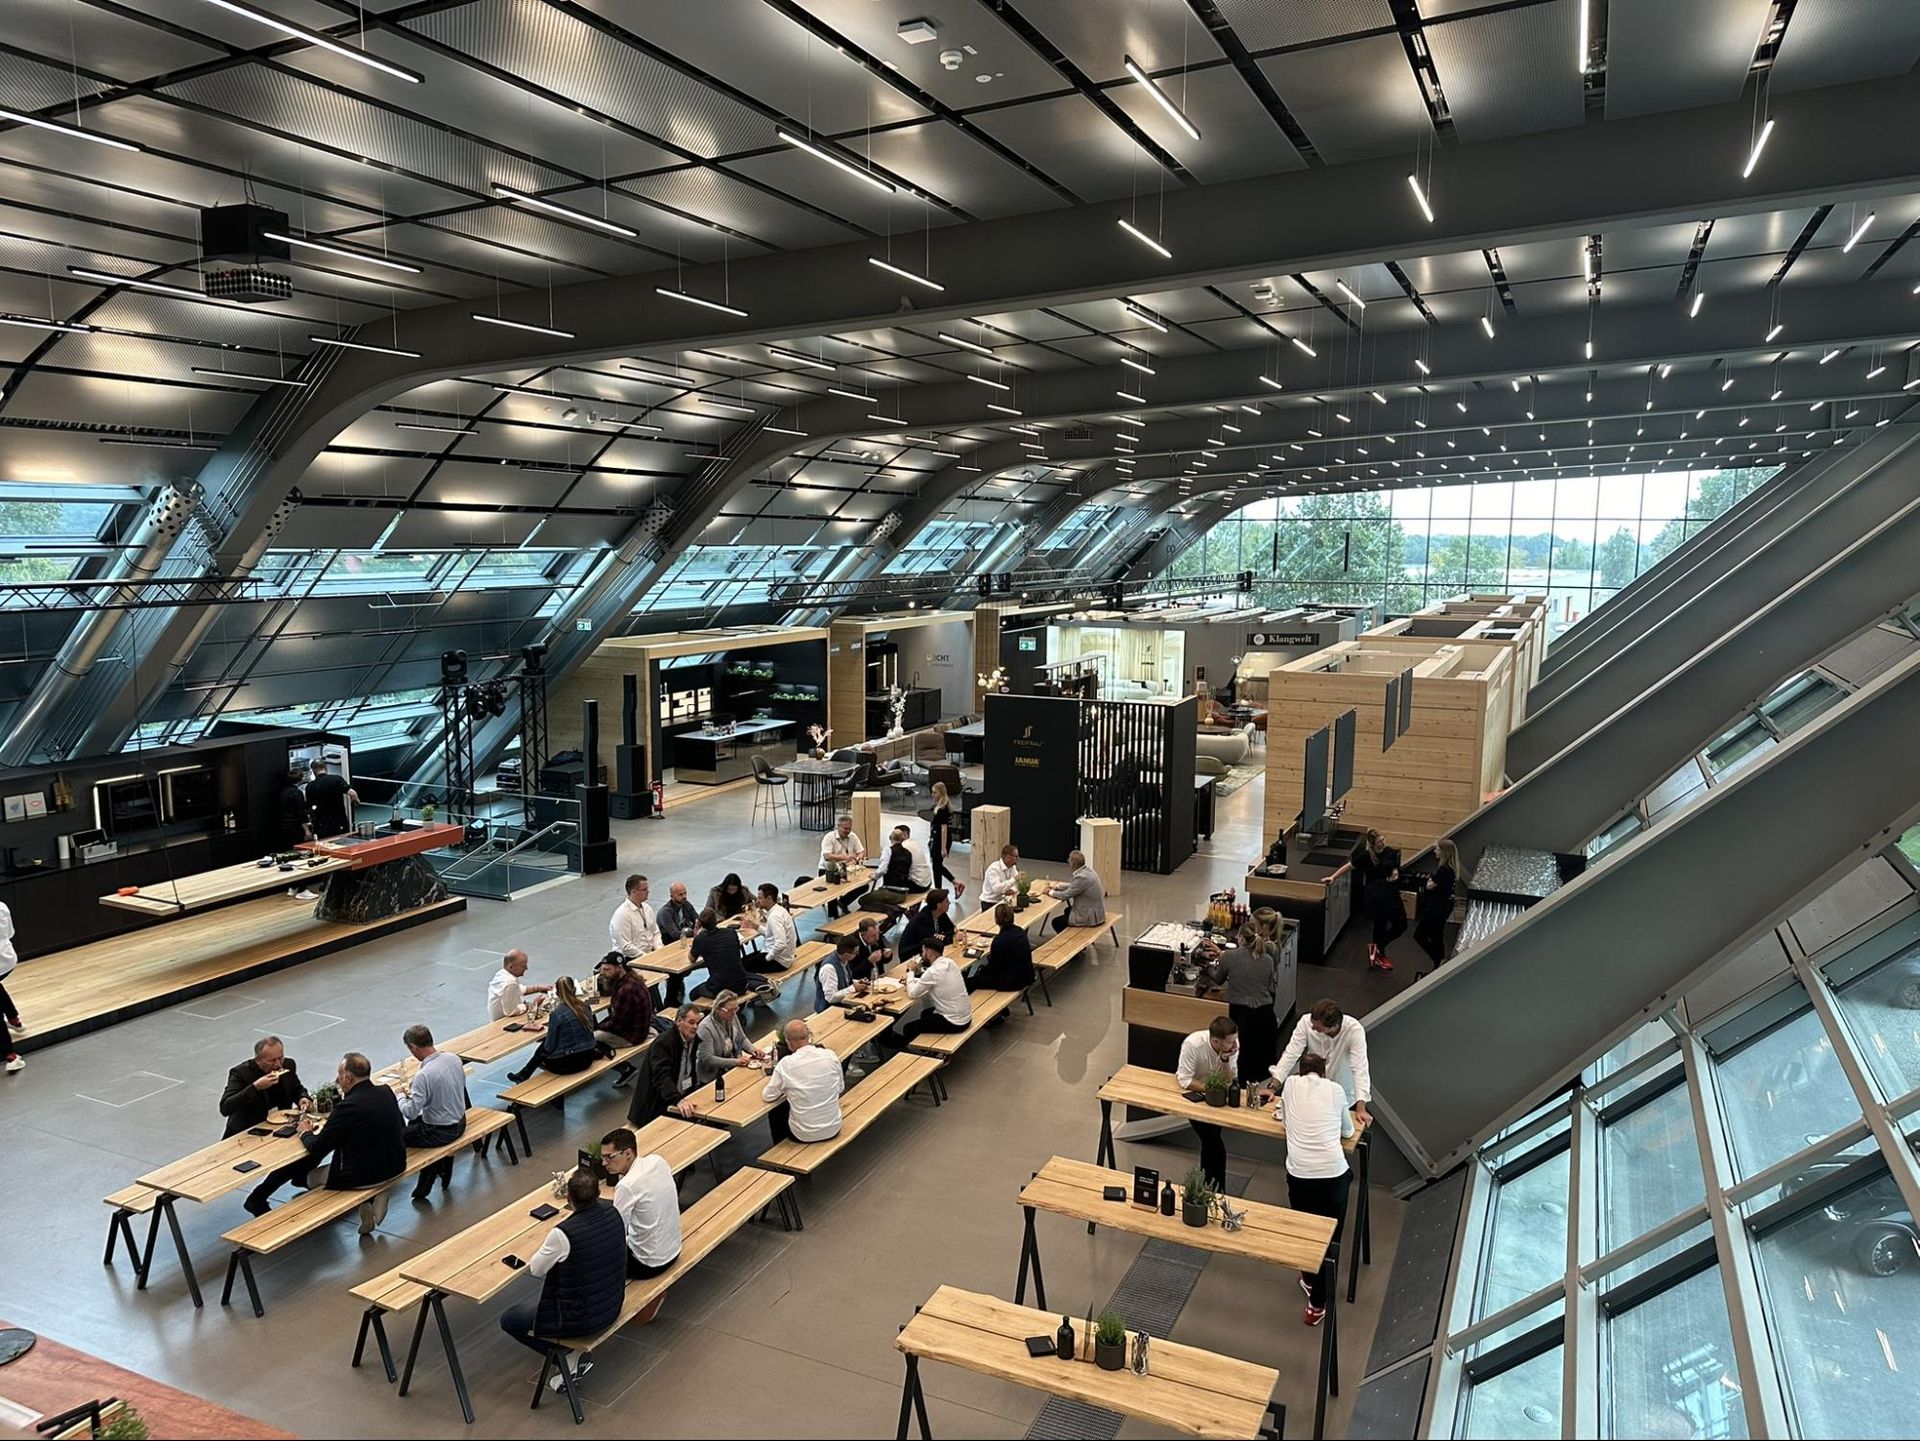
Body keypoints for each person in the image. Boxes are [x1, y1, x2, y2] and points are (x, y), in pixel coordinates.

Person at [244, 1052, 406, 1227]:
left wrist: (304, 1132)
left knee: (303, 1178)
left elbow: (317, 1147)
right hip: (396, 1165)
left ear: (348, 1078)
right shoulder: (386, 1092)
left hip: (363, 1175)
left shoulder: (347, 1107)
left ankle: (370, 1198)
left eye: (339, 1075)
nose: (337, 1080)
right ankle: (373, 1199)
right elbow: (401, 1127)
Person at [498, 1169, 626, 1378]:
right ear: (597, 1193)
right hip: (612, 1302)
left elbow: (537, 1270)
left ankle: (564, 1356)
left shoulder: (563, 1233)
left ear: (569, 1198)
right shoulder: (613, 1212)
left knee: (510, 1319)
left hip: (582, 1318)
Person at [1276, 1052, 1354, 1327]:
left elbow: (1285, 1122)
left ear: (1300, 1072)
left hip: (1299, 1175)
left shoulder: (1290, 1086)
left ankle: (1309, 1278)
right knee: (1330, 1239)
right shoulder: (1336, 1089)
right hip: (1333, 1174)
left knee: (1306, 1230)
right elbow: (1347, 1131)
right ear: (1324, 1073)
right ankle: (1317, 1305)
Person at [1272, 999, 1372, 1127]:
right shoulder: (1306, 1022)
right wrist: (1273, 1086)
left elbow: (1360, 1068)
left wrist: (1361, 1107)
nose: (1313, 1028)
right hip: (1313, 1093)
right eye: (1313, 1024)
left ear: (1334, 1026)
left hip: (1344, 1097)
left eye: (1318, 1028)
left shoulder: (1354, 1030)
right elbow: (1291, 1054)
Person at [599, 1127, 682, 1281]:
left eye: (609, 1157)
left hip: (648, 1264)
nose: (604, 1163)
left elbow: (616, 1231)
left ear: (628, 1154)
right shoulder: (658, 1161)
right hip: (674, 1250)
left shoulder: (626, 1186)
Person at [397, 1024, 467, 1204]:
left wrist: (400, 1096)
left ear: (413, 1047)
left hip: (441, 1131)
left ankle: (415, 1180)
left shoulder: (424, 1074)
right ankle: (434, 1175)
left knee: (395, 1138)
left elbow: (410, 1112)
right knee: (415, 1127)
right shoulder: (453, 1058)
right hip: (460, 1121)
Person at [1205, 922, 1282, 1084]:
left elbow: (1218, 979)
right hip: (1266, 1015)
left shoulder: (1229, 957)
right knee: (1264, 1061)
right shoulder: (1268, 959)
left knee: (1242, 1059)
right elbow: (1267, 985)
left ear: (1240, 937)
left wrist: (1207, 966)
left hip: (1242, 1017)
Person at [1176, 1017, 1241, 1191]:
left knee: (1210, 1144)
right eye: (1230, 1042)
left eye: (1235, 1040)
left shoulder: (1232, 1045)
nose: (1235, 1046)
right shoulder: (1193, 1045)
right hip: (1196, 1097)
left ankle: (1207, 1187)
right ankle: (1218, 1191)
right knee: (1215, 1145)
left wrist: (1226, 1060)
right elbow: (1184, 1079)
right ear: (1215, 1041)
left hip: (1217, 1099)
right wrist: (1211, 1090)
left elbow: (1229, 1080)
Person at [505, 977, 603, 1085]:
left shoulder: (557, 1014)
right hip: (587, 1057)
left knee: (543, 1050)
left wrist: (540, 1053)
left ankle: (525, 1074)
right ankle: (524, 1074)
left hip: (565, 1064)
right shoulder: (585, 1006)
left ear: (557, 994)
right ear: (575, 990)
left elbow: (549, 1046)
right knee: (545, 1047)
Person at [761, 1018, 844, 1144]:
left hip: (804, 1134)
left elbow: (768, 1096)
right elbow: (840, 1088)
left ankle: (779, 1152)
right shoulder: (830, 1055)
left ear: (789, 1042)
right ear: (809, 1036)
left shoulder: (786, 1064)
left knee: (776, 1111)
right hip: (834, 1127)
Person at [628, 1005, 703, 1127]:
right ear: (679, 1021)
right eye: (691, 1022)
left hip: (681, 1095)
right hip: (657, 1105)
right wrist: (677, 1099)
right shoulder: (664, 1043)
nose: (695, 1027)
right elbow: (661, 1077)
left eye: (697, 1023)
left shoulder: (693, 1040)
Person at [219, 1035, 309, 1137]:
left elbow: (296, 1088)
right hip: (249, 1131)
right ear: (258, 1060)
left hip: (281, 1126)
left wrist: (302, 1097)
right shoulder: (241, 1073)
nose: (278, 1064)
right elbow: (225, 1107)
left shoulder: (288, 1064)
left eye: (280, 1058)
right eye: (271, 1061)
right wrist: (255, 1087)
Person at [592, 953, 656, 1088]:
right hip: (639, 1027)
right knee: (598, 1028)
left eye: (607, 970)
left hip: (632, 1035)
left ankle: (626, 1069)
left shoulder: (625, 991)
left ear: (619, 968)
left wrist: (597, 1028)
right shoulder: (631, 980)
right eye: (602, 970)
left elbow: (616, 1024)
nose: (603, 974)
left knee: (590, 1040)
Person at [1349, 828, 1406, 972]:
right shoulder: (1366, 857)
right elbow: (1350, 866)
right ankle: (1379, 955)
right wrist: (1333, 877)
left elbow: (1395, 868)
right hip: (1376, 896)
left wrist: (1395, 872)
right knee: (1380, 925)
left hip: (1391, 894)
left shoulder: (1391, 853)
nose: (1383, 843)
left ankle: (1377, 947)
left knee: (1401, 925)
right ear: (1373, 844)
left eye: (1383, 839)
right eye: (1380, 841)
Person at [898, 934, 971, 1044]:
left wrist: (910, 971)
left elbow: (913, 993)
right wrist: (912, 980)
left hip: (954, 1022)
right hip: (965, 1016)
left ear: (928, 953)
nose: (922, 956)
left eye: (923, 952)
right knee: (926, 1013)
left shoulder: (932, 972)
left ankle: (923, 1053)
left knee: (908, 1028)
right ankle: (925, 1043)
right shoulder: (950, 963)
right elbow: (935, 982)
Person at [694, 992, 767, 1085]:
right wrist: (735, 1062)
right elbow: (708, 1059)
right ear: (718, 1009)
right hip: (713, 1077)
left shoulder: (732, 1016)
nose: (734, 1013)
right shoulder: (705, 1028)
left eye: (736, 1008)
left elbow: (742, 1038)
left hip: (732, 1065)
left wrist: (753, 1050)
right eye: (730, 1010)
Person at [1415, 839, 1463, 969]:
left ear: (1444, 852)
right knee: (1437, 933)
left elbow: (1429, 886)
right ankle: (1439, 962)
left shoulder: (1444, 870)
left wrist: (1430, 881)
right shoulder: (1451, 869)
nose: (1435, 851)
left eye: (1437, 849)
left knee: (1419, 934)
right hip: (1444, 906)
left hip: (1437, 907)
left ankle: (1438, 958)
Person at [688, 909, 756, 1001]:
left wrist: (696, 935)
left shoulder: (701, 939)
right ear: (716, 920)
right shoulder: (731, 932)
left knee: (693, 994)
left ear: (700, 924)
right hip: (742, 983)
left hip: (721, 988)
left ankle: (713, 1012)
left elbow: (691, 959)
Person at [973, 902, 1035, 995]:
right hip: (1027, 976)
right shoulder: (1020, 931)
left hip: (1011, 982)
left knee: (971, 982)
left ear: (996, 920)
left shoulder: (999, 940)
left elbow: (994, 967)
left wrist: (982, 971)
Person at [278, 766, 317, 900]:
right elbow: (301, 814)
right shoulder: (297, 793)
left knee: (289, 856)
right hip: (295, 828)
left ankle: (292, 886)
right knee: (300, 857)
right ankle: (302, 889)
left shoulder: (283, 792)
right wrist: (307, 830)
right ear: (301, 779)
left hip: (284, 827)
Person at [819, 814, 868, 917]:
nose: (847, 831)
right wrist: (845, 858)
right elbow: (827, 856)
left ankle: (843, 902)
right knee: (833, 891)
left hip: (846, 869)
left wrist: (859, 858)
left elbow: (861, 851)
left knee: (864, 886)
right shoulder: (829, 837)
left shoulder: (852, 836)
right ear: (838, 826)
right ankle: (834, 917)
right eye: (845, 828)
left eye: (849, 829)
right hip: (829, 869)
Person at [1052, 849, 1107, 934]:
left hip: (1090, 918)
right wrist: (1058, 886)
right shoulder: (1089, 872)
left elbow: (1065, 895)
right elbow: (1076, 886)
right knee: (1068, 910)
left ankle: (1068, 941)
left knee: (1056, 922)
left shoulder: (1081, 877)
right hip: (1097, 912)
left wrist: (1050, 892)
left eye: (1069, 860)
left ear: (1072, 863)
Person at [747, 884, 797, 975]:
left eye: (760, 898)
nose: (757, 901)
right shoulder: (780, 910)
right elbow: (771, 934)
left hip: (779, 961)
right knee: (745, 960)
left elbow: (781, 943)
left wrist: (767, 958)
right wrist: (757, 927)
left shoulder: (774, 917)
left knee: (741, 966)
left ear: (769, 898)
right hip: (784, 957)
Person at [608, 874, 660, 961]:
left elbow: (655, 933)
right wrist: (646, 957)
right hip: (631, 959)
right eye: (644, 889)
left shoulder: (647, 908)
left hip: (649, 955)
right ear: (633, 892)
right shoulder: (622, 915)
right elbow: (626, 946)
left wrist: (659, 950)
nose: (648, 891)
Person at [488, 948, 550, 1021]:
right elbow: (511, 1012)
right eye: (523, 966)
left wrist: (539, 988)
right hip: (503, 1022)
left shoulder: (503, 974)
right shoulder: (510, 982)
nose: (526, 968)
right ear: (511, 967)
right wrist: (532, 1005)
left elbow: (519, 990)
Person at [304, 756, 357, 840]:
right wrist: (355, 801)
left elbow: (309, 808)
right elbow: (352, 793)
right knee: (343, 844)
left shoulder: (310, 786)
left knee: (326, 846)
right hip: (339, 821)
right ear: (325, 767)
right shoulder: (336, 779)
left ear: (313, 770)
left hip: (321, 824)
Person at [927, 783, 964, 899]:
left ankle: (939, 890)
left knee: (936, 866)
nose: (933, 794)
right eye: (932, 792)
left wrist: (943, 848)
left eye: (935, 792)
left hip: (941, 840)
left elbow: (944, 829)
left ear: (941, 793)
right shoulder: (939, 806)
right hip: (936, 838)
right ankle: (953, 884)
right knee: (937, 866)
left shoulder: (943, 809)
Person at [898, 889, 955, 960]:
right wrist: (951, 938)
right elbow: (934, 942)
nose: (949, 903)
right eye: (947, 901)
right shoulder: (923, 919)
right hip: (911, 954)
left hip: (925, 950)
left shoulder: (940, 914)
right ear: (939, 905)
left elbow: (951, 929)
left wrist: (947, 937)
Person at [815, 935, 868, 1011]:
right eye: (855, 952)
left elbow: (844, 980)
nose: (857, 954)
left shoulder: (844, 960)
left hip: (842, 1004)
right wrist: (853, 988)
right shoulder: (829, 968)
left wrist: (858, 982)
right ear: (846, 954)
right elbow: (830, 998)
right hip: (828, 1009)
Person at [0, 899, 19, 1074]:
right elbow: (10, 933)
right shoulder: (2, 906)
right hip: (8, 959)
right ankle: (14, 1020)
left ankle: (11, 1055)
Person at [979, 844, 1021, 909]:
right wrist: (1014, 879)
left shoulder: (1012, 867)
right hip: (990, 903)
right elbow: (997, 889)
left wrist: (1012, 890)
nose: (1018, 858)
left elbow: (1016, 885)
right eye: (1016, 856)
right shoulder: (993, 869)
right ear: (1008, 857)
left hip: (1004, 901)